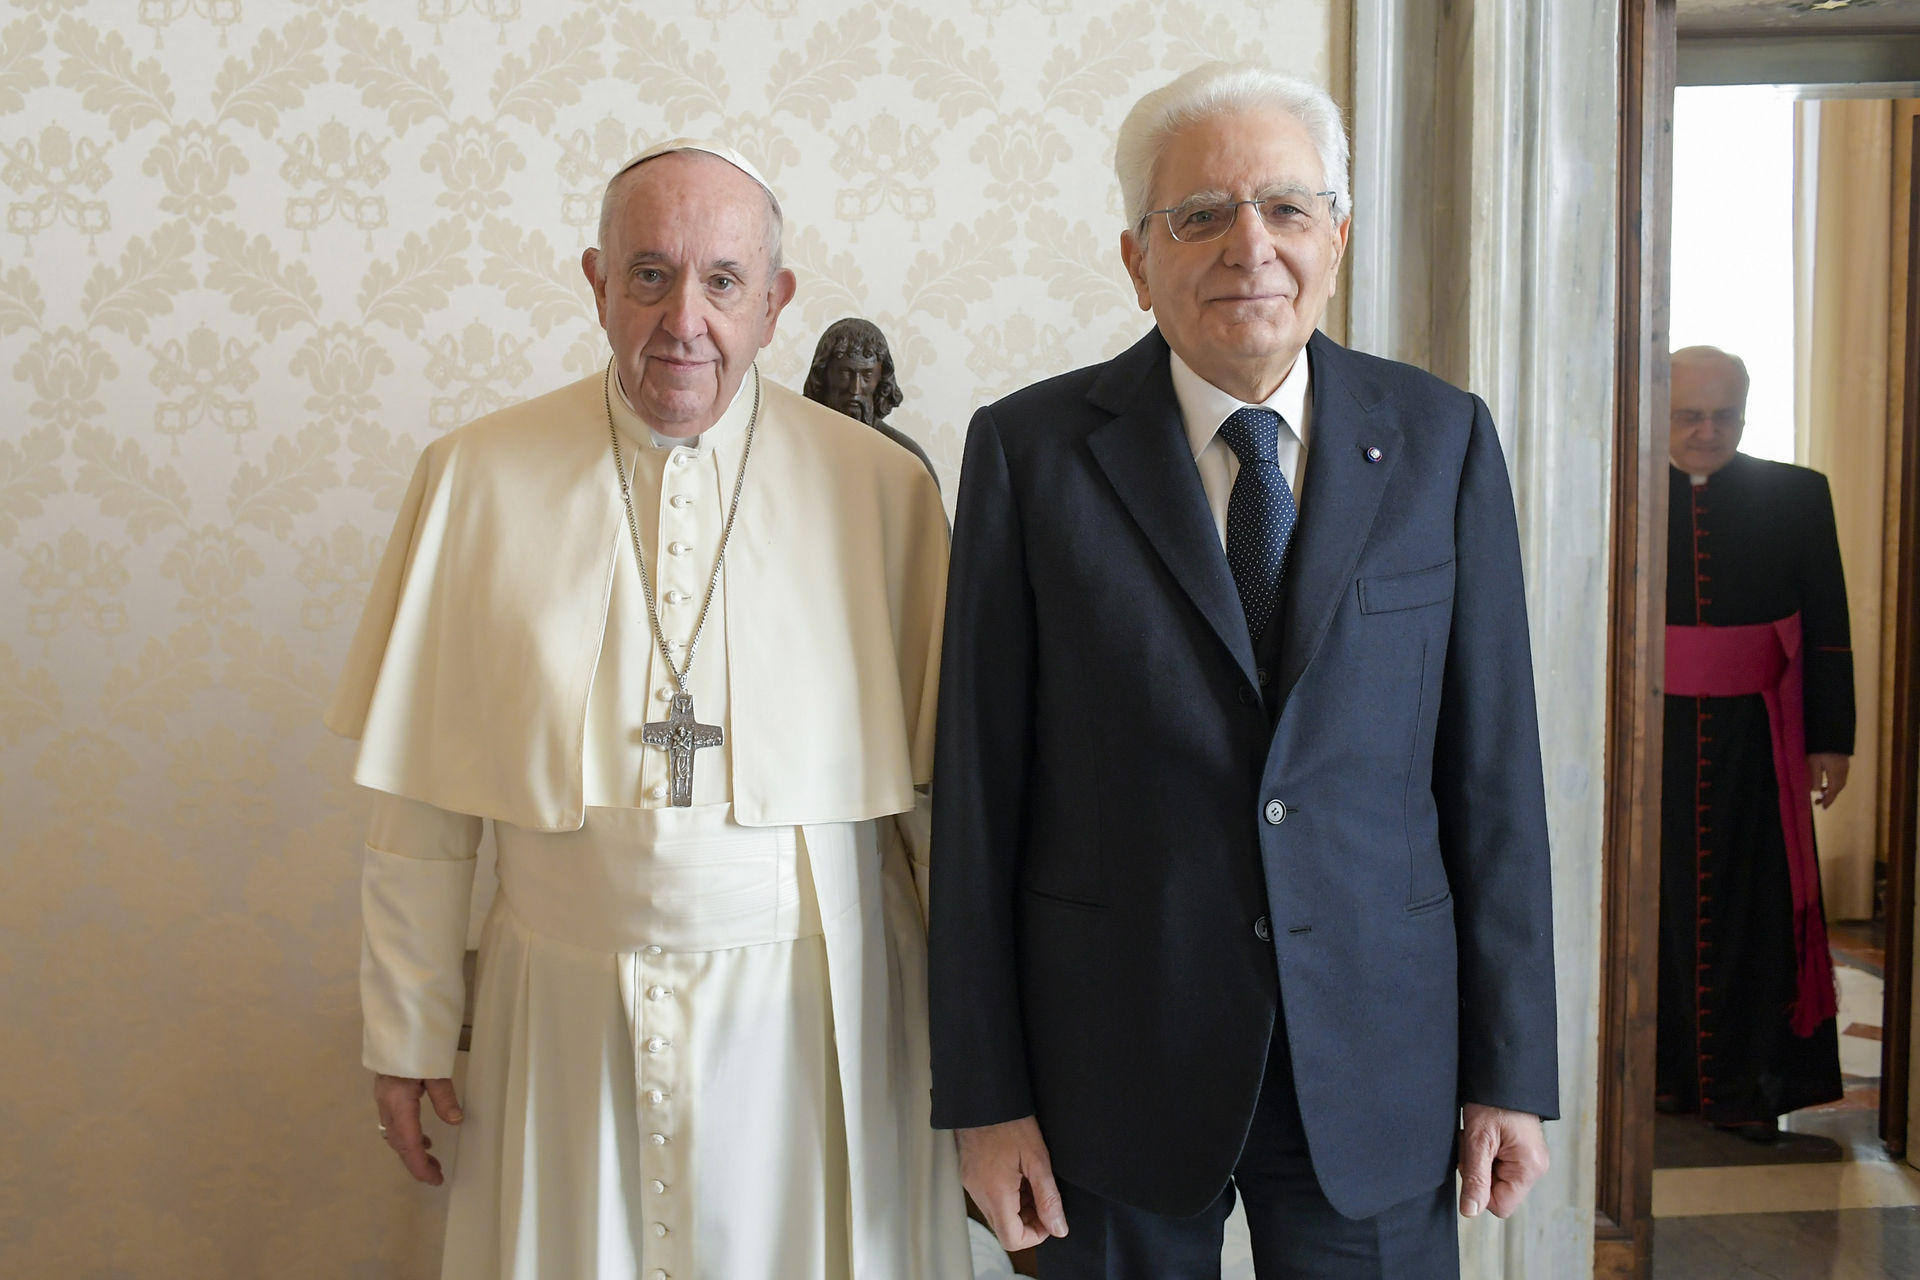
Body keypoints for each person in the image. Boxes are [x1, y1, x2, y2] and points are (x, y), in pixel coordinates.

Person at [927, 63, 1559, 1278]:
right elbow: (978, 797)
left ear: (1338, 238)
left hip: (1379, 1061)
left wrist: (1510, 1069)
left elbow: (1494, 782)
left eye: (1285, 207)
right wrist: (986, 1096)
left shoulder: (1443, 440)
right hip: (1110, 1068)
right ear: (1136, 258)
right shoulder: (1028, 453)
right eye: (1201, 215)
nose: (1249, 246)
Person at [325, 138, 971, 1279]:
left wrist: (985, 1065)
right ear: (596, 283)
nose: (685, 320)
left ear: (774, 303)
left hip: (815, 1010)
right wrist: (409, 1028)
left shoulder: (881, 489)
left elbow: (939, 814)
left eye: (722, 281)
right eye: (650, 275)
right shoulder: (475, 476)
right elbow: (424, 804)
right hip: (560, 1012)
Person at [1657, 344, 1852, 1140]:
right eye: (1689, 415)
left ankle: (1753, 1086)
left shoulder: (1797, 495)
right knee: (1659, 904)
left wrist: (1831, 740)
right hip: (1652, 739)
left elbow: (1829, 627)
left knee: (1759, 912)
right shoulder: (1621, 487)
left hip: (1760, 743)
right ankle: (1665, 1076)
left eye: (1725, 416)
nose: (1708, 431)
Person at [804, 315, 941, 486]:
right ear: (823, 375)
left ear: (881, 378)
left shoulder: (906, 459)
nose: (855, 389)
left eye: (867, 375)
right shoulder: (793, 446)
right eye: (845, 373)